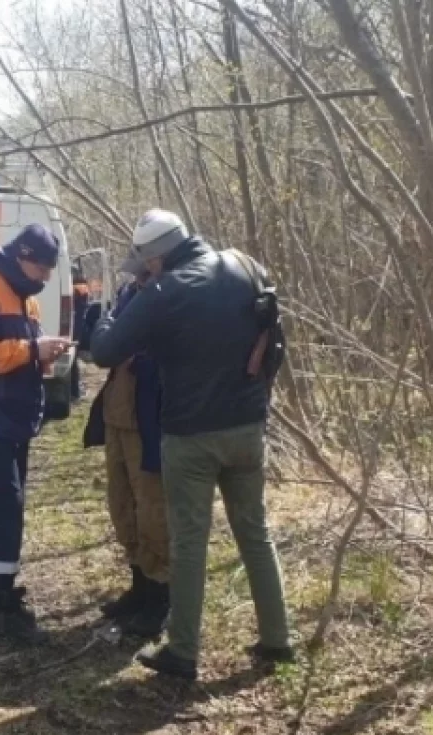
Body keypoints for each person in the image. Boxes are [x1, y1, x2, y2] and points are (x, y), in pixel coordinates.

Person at [90, 209, 292, 681]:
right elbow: (273, 341)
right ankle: (278, 640)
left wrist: (111, 312)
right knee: (255, 534)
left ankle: (183, 651)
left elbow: (104, 350)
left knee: (189, 542)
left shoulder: (164, 291)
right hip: (247, 427)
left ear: (156, 257)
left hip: (191, 435)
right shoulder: (243, 265)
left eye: (146, 260)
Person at [0, 223, 72, 642]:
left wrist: (43, 355)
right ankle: (0, 608)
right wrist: (31, 351)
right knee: (3, 509)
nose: (44, 278)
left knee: (4, 508)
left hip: (15, 419)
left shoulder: (26, 301)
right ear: (22, 257)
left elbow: (19, 355)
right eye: (40, 269)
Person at [82, 261, 169, 638]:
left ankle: (160, 598)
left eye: (143, 273)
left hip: (147, 423)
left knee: (153, 512)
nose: (137, 279)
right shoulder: (129, 297)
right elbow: (103, 346)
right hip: (118, 417)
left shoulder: (171, 298)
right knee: (122, 507)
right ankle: (138, 587)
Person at [70, 265, 90, 403]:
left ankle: (75, 391)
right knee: (73, 360)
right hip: (77, 328)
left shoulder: (76, 289)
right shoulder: (82, 288)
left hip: (74, 329)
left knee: (73, 361)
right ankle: (75, 390)